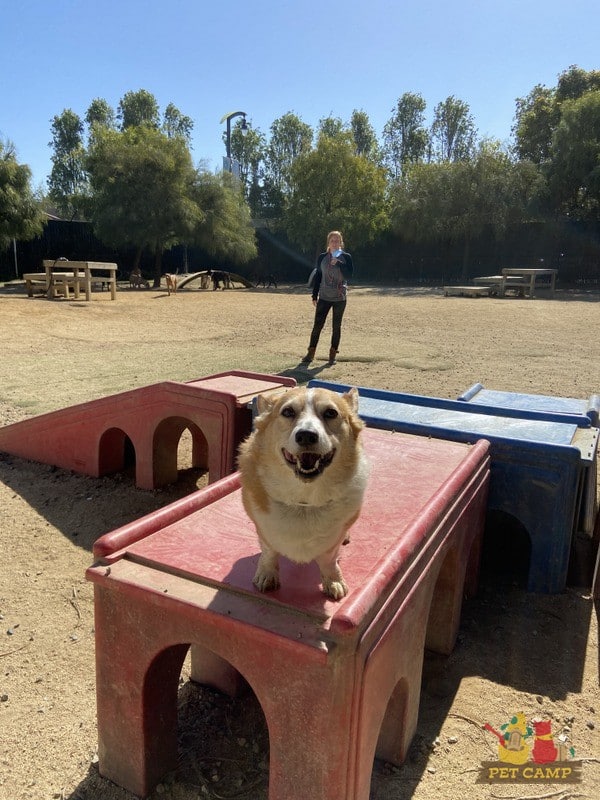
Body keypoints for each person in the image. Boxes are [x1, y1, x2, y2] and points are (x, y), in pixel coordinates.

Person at [301, 230, 354, 366]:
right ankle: (310, 353)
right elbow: (318, 276)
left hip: (339, 297)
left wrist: (340, 264)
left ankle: (332, 354)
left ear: (341, 242)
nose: (335, 243)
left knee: (336, 326)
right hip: (324, 296)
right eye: (332, 240)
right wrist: (314, 294)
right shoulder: (322, 257)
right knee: (317, 325)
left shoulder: (346, 257)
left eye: (337, 240)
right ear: (328, 242)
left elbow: (349, 275)